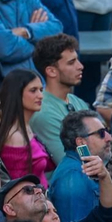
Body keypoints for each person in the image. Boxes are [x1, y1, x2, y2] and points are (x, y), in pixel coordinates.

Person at [29, 35, 87, 163]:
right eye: (71, 62)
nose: (80, 66)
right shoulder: (43, 113)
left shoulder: (78, 102)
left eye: (77, 60)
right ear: (51, 71)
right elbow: (70, 160)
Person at [0, 70, 53, 185]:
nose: (40, 96)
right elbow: (17, 186)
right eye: (33, 90)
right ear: (16, 94)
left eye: (41, 90)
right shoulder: (15, 137)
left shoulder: (26, 126)